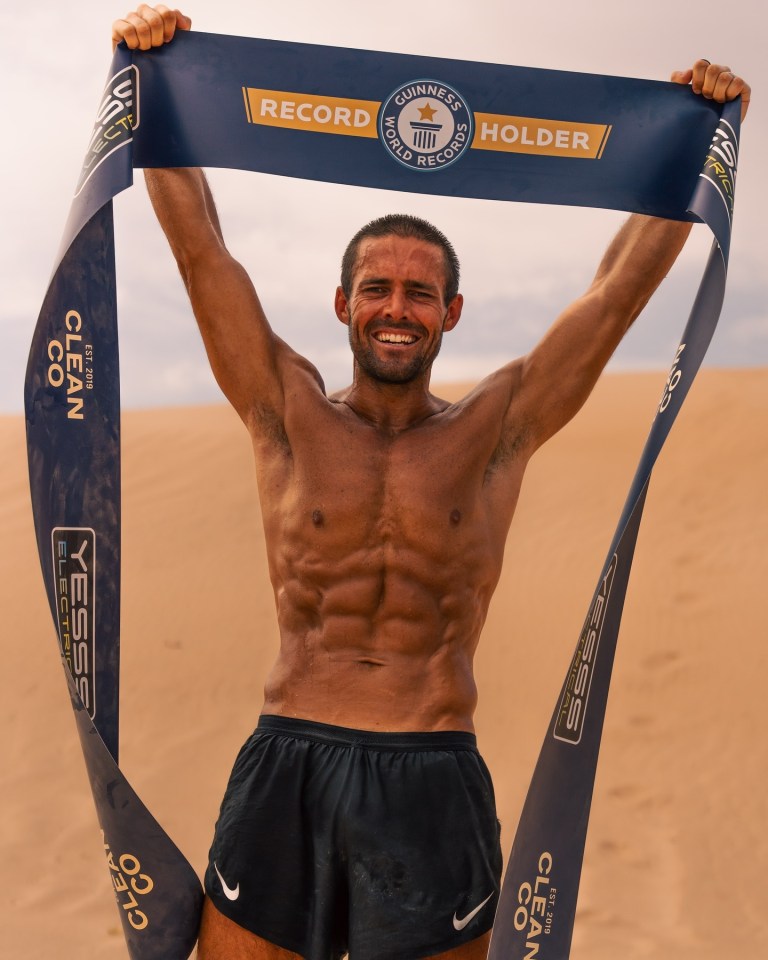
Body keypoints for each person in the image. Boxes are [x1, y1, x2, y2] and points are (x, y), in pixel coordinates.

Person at [112, 7, 750, 959]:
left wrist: (697, 141)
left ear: (451, 311)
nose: (396, 308)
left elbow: (614, 296)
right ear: (343, 305)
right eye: (376, 287)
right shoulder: (284, 411)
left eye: (419, 291)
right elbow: (202, 249)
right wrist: (150, 77)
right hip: (286, 757)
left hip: (431, 773)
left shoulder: (498, 430)